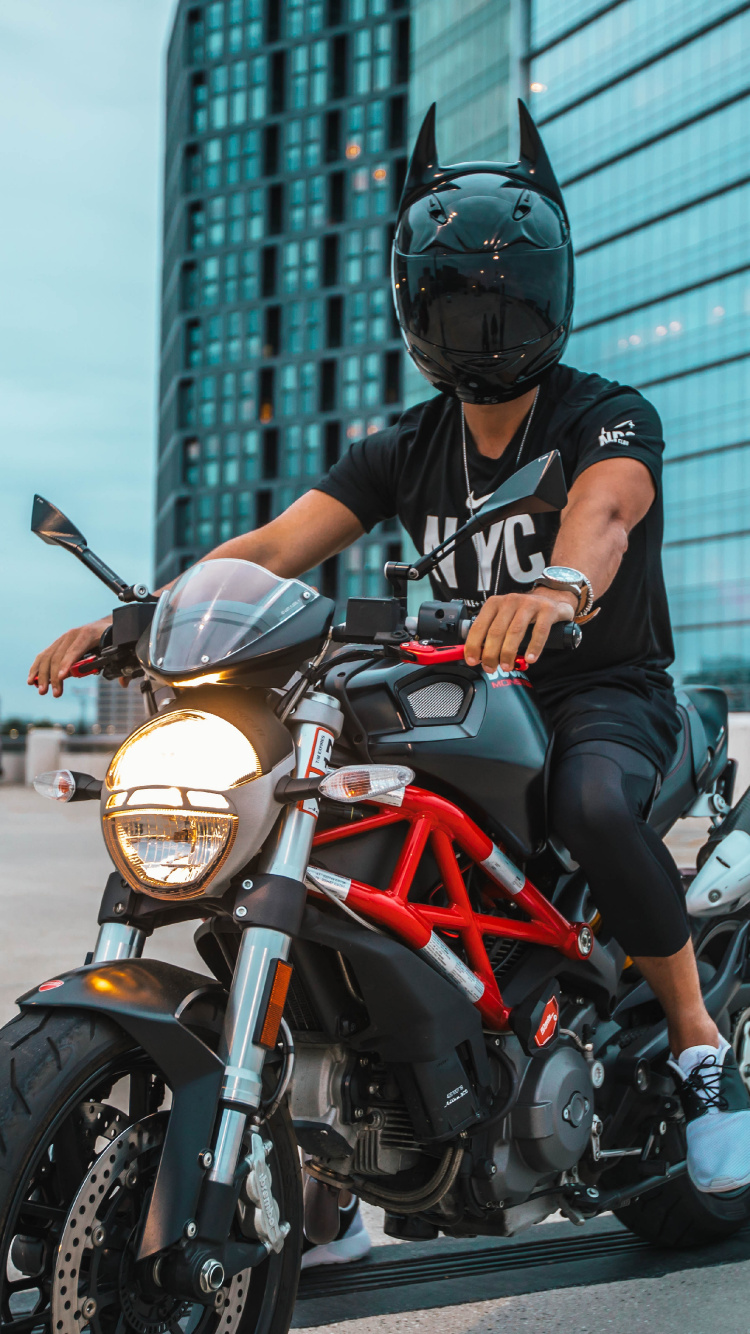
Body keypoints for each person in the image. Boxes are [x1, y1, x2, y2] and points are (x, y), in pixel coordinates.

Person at [29, 102, 750, 1211]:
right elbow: (273, 549)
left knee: (595, 803)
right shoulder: (404, 447)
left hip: (599, 687)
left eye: (503, 300)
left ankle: (700, 1052)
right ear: (419, 308)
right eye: (457, 300)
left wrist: (556, 589)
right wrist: (146, 618)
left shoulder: (606, 415)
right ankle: (327, 1181)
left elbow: (604, 514)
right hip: (466, 693)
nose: (481, 322)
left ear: (547, 301)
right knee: (332, 841)